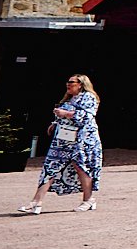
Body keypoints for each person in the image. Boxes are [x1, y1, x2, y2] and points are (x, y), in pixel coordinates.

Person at [18, 74, 104, 213]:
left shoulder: (89, 97)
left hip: (83, 140)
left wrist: (65, 113)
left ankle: (88, 199)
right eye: (67, 82)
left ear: (81, 84)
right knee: (50, 166)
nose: (68, 84)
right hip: (63, 139)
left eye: (72, 82)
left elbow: (87, 116)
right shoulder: (69, 98)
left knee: (81, 167)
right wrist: (56, 122)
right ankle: (36, 201)